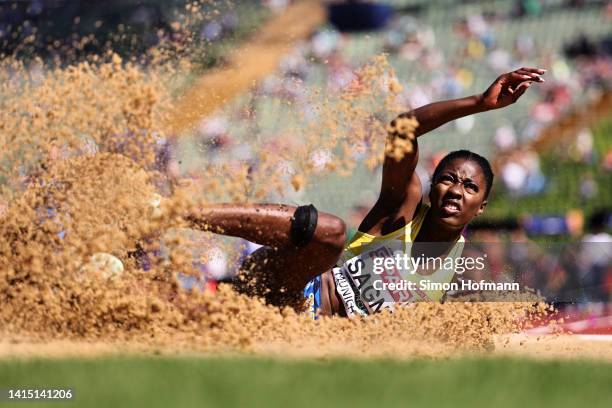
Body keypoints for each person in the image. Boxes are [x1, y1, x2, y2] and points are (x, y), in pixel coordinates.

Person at [187, 67, 546, 317]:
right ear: (432, 187)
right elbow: (401, 131)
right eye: (448, 179)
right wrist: (479, 103)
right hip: (284, 287)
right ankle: (181, 212)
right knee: (330, 232)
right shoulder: (401, 208)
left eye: (469, 187)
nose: (456, 191)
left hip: (300, 336)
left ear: (481, 206)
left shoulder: (460, 274)